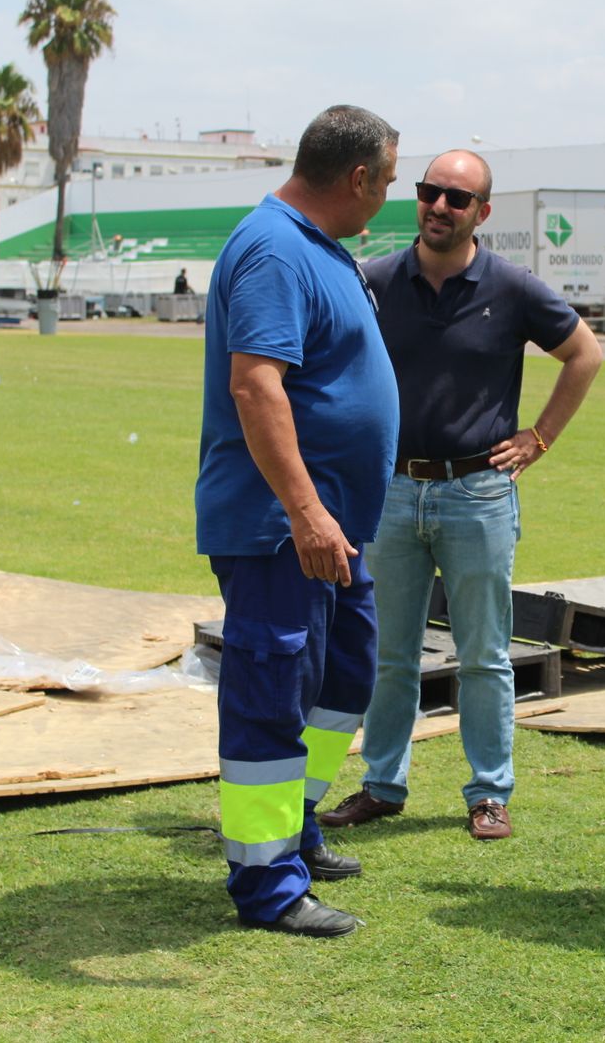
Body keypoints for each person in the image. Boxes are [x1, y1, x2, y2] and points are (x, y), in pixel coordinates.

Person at [319, 150, 602, 841]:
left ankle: (488, 793)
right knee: (391, 652)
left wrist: (540, 436)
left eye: (457, 197)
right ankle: (381, 784)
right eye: (428, 193)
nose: (439, 207)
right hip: (391, 491)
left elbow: (584, 354)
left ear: (482, 211)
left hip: (478, 492)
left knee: (484, 653)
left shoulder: (512, 288)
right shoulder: (375, 280)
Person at [195, 104, 400, 939]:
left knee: (344, 677)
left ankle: (296, 829)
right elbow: (256, 386)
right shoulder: (275, 248)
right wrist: (307, 510)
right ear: (356, 177)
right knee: (272, 695)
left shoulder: (322, 250)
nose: (389, 196)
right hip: (285, 529)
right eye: (388, 181)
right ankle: (267, 885)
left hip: (330, 531)